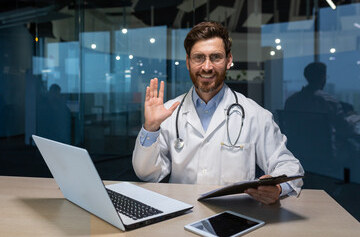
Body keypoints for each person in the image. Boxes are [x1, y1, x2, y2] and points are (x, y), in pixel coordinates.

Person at [132, 21, 304, 204]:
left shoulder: (255, 115)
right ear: (188, 62)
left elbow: (290, 166)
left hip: (235, 216)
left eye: (216, 57)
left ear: (229, 60)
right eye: (199, 58)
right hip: (181, 214)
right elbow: (148, 174)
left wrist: (277, 189)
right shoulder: (168, 112)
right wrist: (151, 127)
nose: (207, 67)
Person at [284, 62, 360, 148]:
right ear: (323, 78)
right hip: (324, 153)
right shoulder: (327, 101)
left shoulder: (291, 101)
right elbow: (345, 130)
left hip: (297, 151)